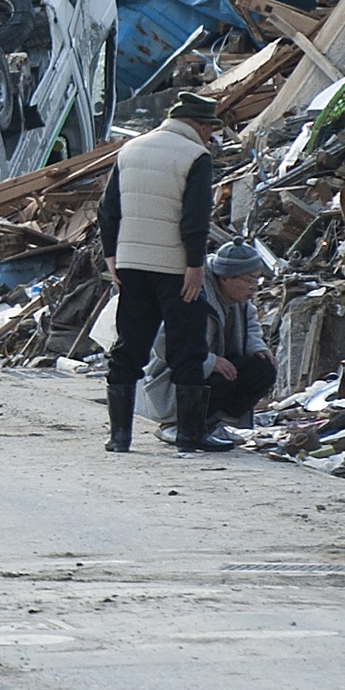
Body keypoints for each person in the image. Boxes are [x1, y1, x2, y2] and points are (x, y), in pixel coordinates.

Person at [94, 97, 219, 454]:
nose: (211, 136)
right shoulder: (196, 157)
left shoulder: (130, 149)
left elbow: (108, 211)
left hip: (131, 264)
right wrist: (195, 265)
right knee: (188, 348)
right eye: (209, 128)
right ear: (199, 125)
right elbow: (195, 218)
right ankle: (189, 436)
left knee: (128, 347)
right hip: (174, 267)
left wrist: (112, 256)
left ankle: (119, 437)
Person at [180, 239, 279, 452]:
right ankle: (188, 423)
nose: (254, 286)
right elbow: (172, 345)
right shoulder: (196, 295)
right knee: (219, 378)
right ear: (225, 279)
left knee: (262, 369)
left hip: (217, 363)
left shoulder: (240, 300)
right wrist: (210, 361)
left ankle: (217, 423)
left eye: (257, 280)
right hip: (182, 376)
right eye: (249, 280)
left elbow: (251, 325)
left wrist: (258, 348)